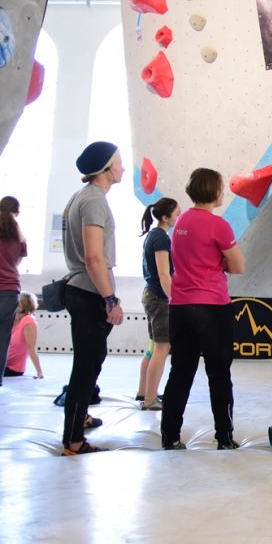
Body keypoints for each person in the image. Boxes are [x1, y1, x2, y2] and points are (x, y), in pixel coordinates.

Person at [161, 169, 245, 451]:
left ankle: (170, 436)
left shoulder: (180, 221)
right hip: (211, 305)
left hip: (180, 305)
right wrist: (218, 262)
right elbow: (238, 266)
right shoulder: (218, 225)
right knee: (219, 373)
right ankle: (224, 436)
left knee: (180, 372)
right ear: (214, 191)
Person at [61, 142, 126, 455]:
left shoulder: (80, 197)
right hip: (89, 292)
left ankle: (81, 415)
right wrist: (110, 298)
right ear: (106, 169)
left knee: (93, 359)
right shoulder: (94, 200)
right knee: (86, 365)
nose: (123, 168)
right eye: (119, 162)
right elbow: (93, 257)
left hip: (83, 289)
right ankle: (73, 440)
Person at [135, 197, 179, 410]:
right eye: (176, 214)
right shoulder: (161, 239)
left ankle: (144, 391)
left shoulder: (152, 235)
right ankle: (150, 399)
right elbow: (164, 273)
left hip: (151, 295)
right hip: (159, 298)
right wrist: (174, 299)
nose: (178, 218)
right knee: (162, 347)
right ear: (165, 217)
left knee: (154, 346)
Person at [0, 195, 27, 386]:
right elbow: (17, 262)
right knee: (3, 338)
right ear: (17, 213)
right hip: (10, 289)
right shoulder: (19, 235)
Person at [5, 292, 43, 379]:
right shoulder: (13, 319)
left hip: (12, 369)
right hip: (4, 363)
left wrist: (39, 372)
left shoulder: (29, 320)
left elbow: (31, 348)